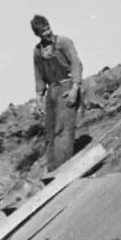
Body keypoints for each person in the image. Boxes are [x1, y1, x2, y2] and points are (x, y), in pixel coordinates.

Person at [30, 14, 85, 171]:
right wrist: (38, 99)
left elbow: (76, 64)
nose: (47, 32)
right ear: (37, 34)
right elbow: (39, 76)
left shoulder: (63, 42)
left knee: (64, 129)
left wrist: (75, 88)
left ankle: (65, 167)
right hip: (51, 92)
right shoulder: (37, 51)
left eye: (47, 28)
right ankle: (53, 170)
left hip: (66, 86)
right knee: (49, 131)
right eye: (42, 31)